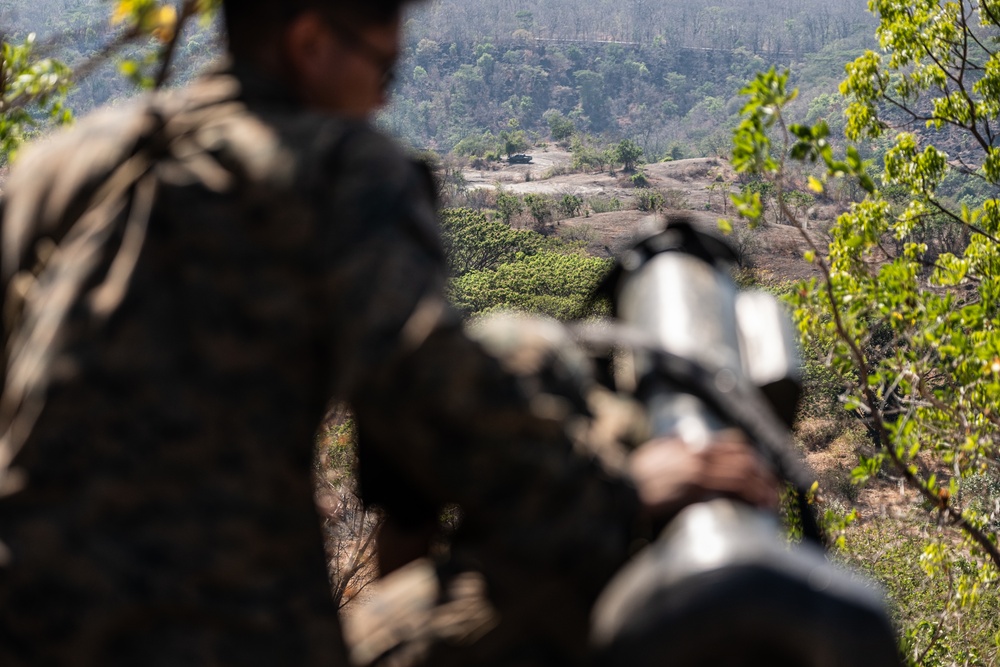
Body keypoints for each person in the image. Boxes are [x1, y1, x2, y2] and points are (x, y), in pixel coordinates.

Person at [0, 1, 776, 665]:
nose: (380, 102)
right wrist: (620, 490)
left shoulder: (61, 164)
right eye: (383, 70)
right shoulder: (336, 166)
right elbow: (425, 386)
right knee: (565, 548)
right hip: (225, 640)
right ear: (310, 44)